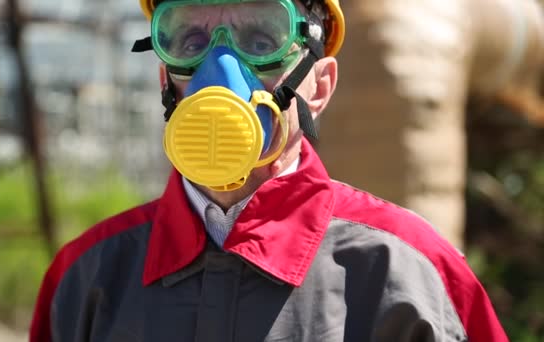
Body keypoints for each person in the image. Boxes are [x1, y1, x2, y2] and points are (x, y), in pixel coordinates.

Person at [29, 0, 509, 340]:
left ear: (318, 88)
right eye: (190, 39)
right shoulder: (86, 279)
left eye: (261, 39)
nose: (218, 68)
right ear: (165, 81)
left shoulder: (408, 274)